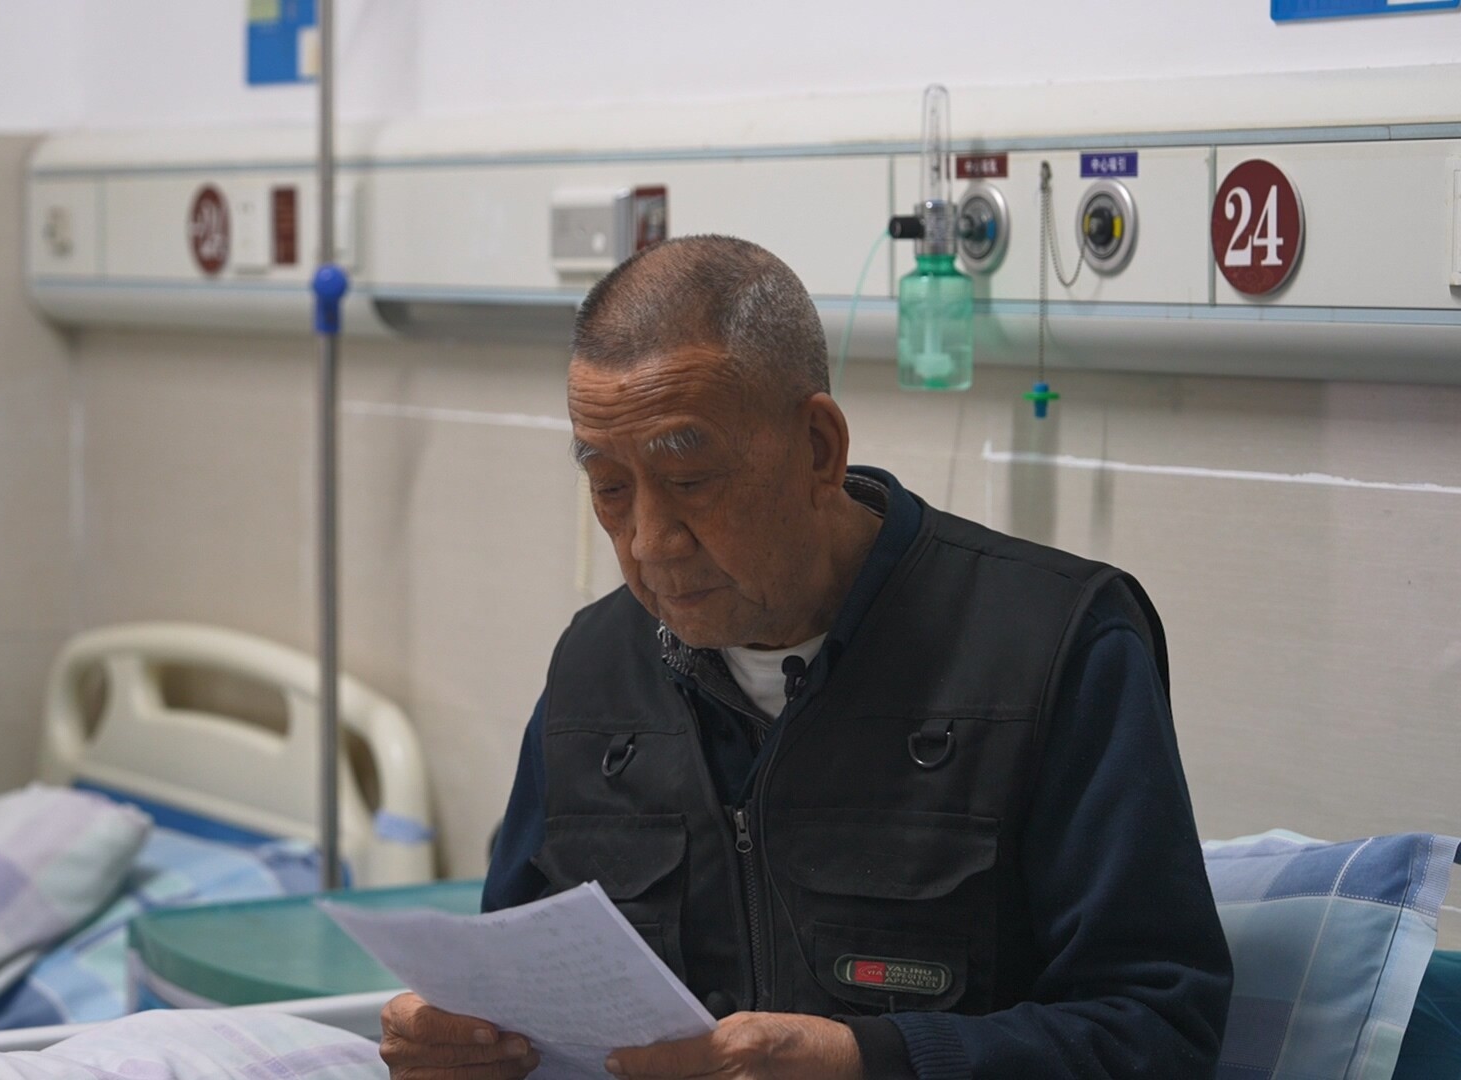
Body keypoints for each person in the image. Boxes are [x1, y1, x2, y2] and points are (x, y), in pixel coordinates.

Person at [378, 235, 1232, 1080]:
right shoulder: (593, 671)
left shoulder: (1054, 647)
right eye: (609, 487)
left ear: (819, 448)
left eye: (689, 480)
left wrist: (871, 1063)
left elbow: (1158, 1029)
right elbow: (510, 992)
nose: (648, 541)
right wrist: (461, 1046)